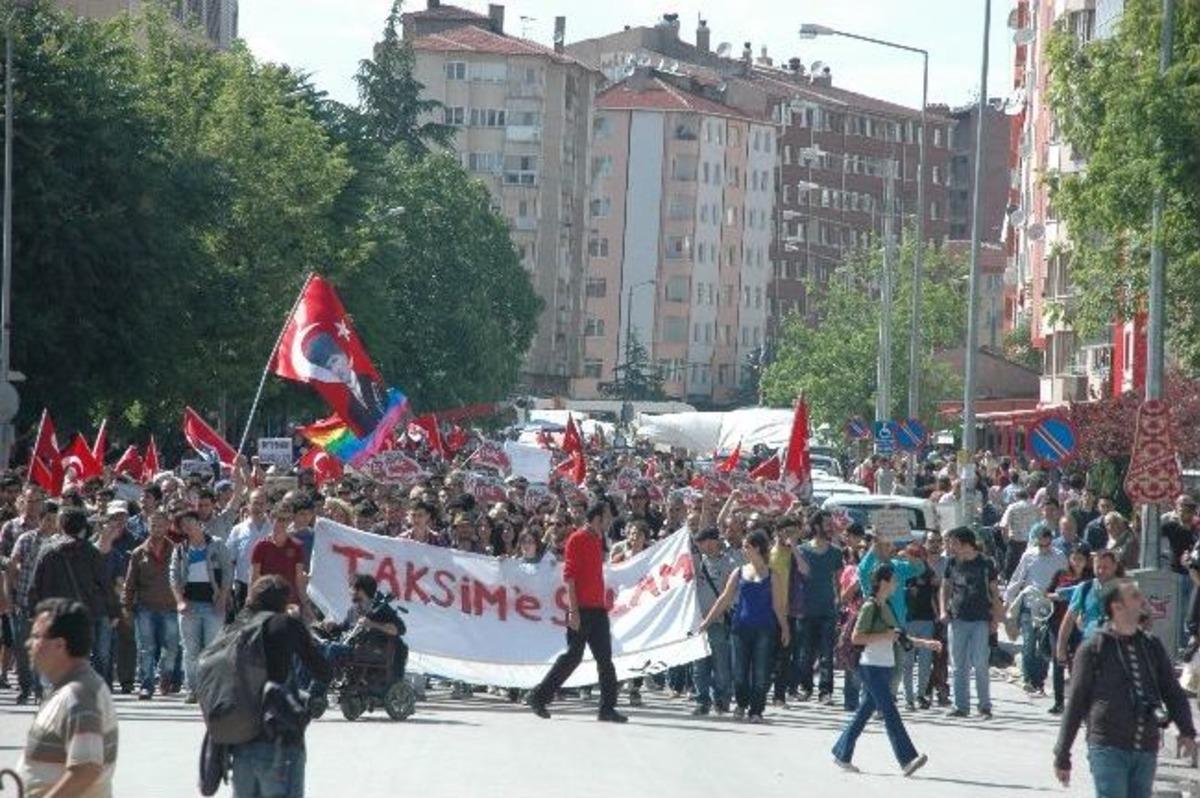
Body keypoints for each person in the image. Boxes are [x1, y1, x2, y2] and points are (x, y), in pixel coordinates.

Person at [1054, 578, 1197, 797]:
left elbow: (1172, 691)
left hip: (1146, 748)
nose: (1143, 601)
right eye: (1135, 596)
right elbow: (1076, 701)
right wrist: (1062, 754)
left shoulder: (1151, 645)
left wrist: (1186, 730)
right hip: (1108, 746)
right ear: (1117, 606)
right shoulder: (1093, 648)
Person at [831, 563, 939, 776]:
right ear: (883, 582)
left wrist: (926, 644)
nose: (897, 583)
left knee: (864, 712)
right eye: (894, 580)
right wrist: (885, 636)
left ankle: (841, 753)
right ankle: (907, 759)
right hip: (870, 666)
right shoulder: (870, 606)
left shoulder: (886, 605)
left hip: (883, 666)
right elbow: (857, 638)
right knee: (890, 711)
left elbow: (899, 636)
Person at [229, 576, 332, 798]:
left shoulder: (238, 627)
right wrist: (296, 625)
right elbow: (323, 670)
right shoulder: (286, 625)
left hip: (240, 738)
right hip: (279, 737)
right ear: (283, 601)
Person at [526, 499, 626, 723]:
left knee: (605, 660)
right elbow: (569, 577)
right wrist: (573, 611)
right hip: (581, 608)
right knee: (573, 657)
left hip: (598, 609)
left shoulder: (598, 538)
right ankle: (539, 696)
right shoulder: (577, 539)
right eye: (607, 515)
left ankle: (607, 708)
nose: (611, 520)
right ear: (598, 518)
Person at [16, 598, 118, 798]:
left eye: (36, 636)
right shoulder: (70, 689)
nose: (29, 644)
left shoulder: (79, 695)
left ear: (60, 645)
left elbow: (86, 769)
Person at [698, 529, 789, 723]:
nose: (743, 550)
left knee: (760, 672)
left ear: (756, 548)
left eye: (746, 546)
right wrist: (707, 622)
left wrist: (785, 628)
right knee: (739, 673)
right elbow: (724, 599)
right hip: (740, 628)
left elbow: (778, 606)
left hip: (765, 629)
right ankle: (741, 703)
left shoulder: (773, 575)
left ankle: (756, 709)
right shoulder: (738, 572)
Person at [28, 507, 120, 683]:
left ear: (61, 525)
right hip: (83, 614)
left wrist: (34, 612)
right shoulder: (91, 552)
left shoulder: (47, 552)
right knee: (79, 655)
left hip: (53, 613)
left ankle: (50, 693)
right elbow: (105, 584)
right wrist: (113, 611)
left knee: (54, 652)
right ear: (83, 527)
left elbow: (35, 585)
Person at [169, 509, 232, 704]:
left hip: (213, 605)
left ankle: (212, 690)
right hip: (190, 605)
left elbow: (228, 571)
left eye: (190, 521)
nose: (187, 526)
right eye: (183, 524)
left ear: (199, 522)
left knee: (212, 649)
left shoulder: (217, 544)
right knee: (190, 650)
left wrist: (223, 597)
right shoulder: (180, 550)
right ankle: (193, 689)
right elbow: (174, 577)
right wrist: (179, 600)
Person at [939, 526, 999, 719]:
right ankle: (961, 706)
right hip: (957, 618)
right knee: (958, 664)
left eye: (954, 542)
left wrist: (996, 619)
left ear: (965, 543)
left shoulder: (986, 563)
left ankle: (984, 706)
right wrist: (942, 609)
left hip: (980, 618)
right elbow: (945, 587)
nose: (950, 546)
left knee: (980, 662)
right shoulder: (951, 562)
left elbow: (995, 592)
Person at [121, 508, 179, 700]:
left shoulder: (177, 551)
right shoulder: (139, 552)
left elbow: (183, 578)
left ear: (168, 526)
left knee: (170, 647)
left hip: (171, 607)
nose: (157, 528)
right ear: (148, 526)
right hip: (145, 608)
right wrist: (127, 607)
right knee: (146, 648)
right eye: (153, 525)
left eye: (161, 524)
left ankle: (166, 676)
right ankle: (146, 684)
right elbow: (129, 583)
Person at [1004, 524, 1068, 695]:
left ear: (1051, 542)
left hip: (1048, 606)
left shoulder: (1060, 557)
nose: (1043, 548)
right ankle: (1027, 678)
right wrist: (1008, 600)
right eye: (1040, 545)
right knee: (1028, 642)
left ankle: (1039, 680)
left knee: (1044, 644)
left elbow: (1065, 579)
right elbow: (1017, 578)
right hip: (1029, 603)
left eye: (1046, 545)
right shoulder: (1029, 555)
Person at [8, 499, 59, 704]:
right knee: (22, 650)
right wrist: (9, 598)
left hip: (48, 607)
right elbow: (12, 569)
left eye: (54, 520)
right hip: (23, 603)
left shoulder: (59, 543)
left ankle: (40, 690)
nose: (50, 524)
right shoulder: (26, 540)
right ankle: (25, 687)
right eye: (47, 519)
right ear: (40, 519)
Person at [795, 511, 842, 705]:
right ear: (816, 527)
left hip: (827, 609)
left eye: (832, 524)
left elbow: (838, 581)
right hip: (805, 609)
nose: (831, 527)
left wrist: (839, 601)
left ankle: (825, 691)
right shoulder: (801, 550)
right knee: (805, 653)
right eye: (827, 524)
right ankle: (805, 687)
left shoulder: (836, 552)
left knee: (826, 653)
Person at [690, 526, 736, 716]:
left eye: (705, 541)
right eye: (699, 543)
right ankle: (702, 700)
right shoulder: (697, 564)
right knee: (699, 666)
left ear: (714, 541)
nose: (703, 546)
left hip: (718, 622)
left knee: (721, 665)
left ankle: (722, 699)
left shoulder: (729, 563)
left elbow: (729, 594)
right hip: (699, 623)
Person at [1046, 544, 1092, 714]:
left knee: (1078, 663)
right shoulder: (1061, 574)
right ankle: (1059, 702)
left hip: (1080, 625)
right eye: (1074, 558)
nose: (1077, 562)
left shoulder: (1090, 579)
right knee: (1058, 660)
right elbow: (1047, 593)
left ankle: (1077, 702)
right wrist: (1058, 596)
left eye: (1081, 558)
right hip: (1058, 622)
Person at [249, 502, 307, 607]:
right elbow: (254, 577)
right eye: (280, 519)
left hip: (290, 602)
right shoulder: (261, 546)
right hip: (267, 601)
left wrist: (305, 604)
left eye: (287, 519)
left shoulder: (297, 547)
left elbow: (299, 578)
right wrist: (250, 599)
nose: (283, 523)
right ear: (271, 519)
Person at [226, 488, 272, 614]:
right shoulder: (238, 530)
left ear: (267, 505)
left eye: (262, 504)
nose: (258, 507)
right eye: (255, 503)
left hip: (268, 587)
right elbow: (229, 561)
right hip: (243, 585)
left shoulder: (274, 528)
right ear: (248, 505)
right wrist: (228, 589)